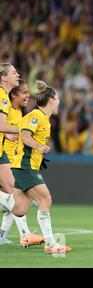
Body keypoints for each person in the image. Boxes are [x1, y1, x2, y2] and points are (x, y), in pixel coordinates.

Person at [12, 80, 71, 254]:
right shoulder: (36, 116)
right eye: (58, 98)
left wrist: (38, 152)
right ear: (52, 100)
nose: (59, 101)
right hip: (24, 166)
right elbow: (24, 135)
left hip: (24, 166)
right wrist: (38, 147)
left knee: (19, 209)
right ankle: (51, 244)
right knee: (46, 199)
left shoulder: (44, 119)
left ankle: (29, 235)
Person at [0, 80, 44, 247]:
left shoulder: (19, 114)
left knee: (13, 200)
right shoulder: (6, 109)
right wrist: (6, 134)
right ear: (14, 95)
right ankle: (25, 235)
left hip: (12, 161)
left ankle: (3, 236)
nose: (28, 96)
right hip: (6, 159)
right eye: (24, 92)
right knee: (15, 197)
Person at [0, 63, 26, 217]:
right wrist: (26, 130)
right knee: (13, 194)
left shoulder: (4, 97)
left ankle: (24, 235)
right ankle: (26, 235)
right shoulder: (2, 96)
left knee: (12, 191)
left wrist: (5, 134)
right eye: (14, 73)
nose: (18, 75)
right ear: (3, 77)